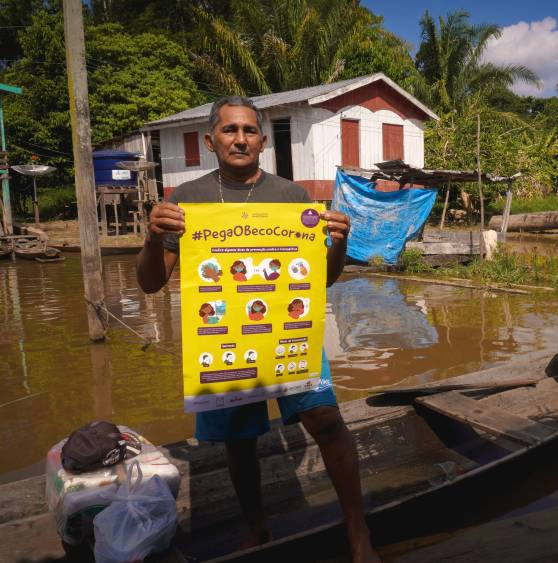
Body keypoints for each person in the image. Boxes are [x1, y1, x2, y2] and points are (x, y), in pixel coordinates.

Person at [136, 96, 378, 562]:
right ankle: (256, 527)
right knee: (239, 440)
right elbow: (149, 284)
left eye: (249, 130)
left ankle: (358, 528)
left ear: (263, 142)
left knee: (326, 420)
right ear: (211, 141)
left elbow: (323, 279)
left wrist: (339, 244)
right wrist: (152, 236)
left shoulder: (293, 198)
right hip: (224, 336)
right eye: (230, 130)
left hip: (289, 331)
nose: (240, 139)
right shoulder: (185, 201)